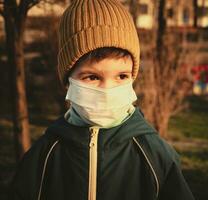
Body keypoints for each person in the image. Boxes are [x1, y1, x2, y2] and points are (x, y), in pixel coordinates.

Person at [11, 0, 195, 200]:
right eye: (92, 77)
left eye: (122, 76)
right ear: (68, 80)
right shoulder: (45, 155)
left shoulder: (153, 154)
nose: (108, 90)